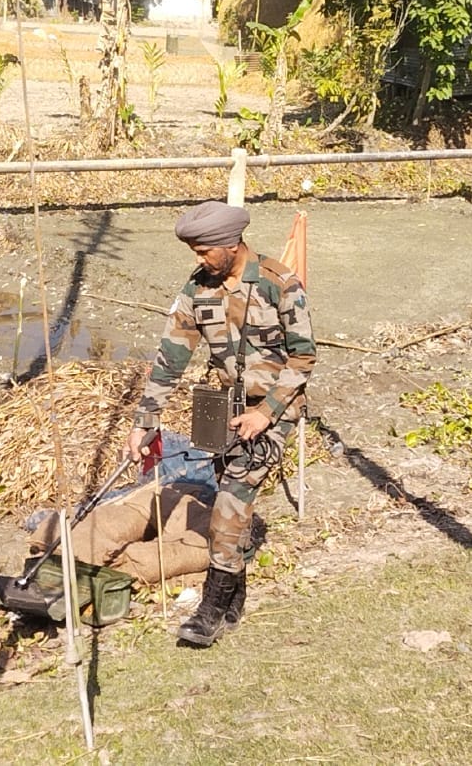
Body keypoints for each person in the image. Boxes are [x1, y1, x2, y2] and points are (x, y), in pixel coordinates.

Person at [124, 201, 315, 648]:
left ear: (232, 245)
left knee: (230, 500)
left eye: (203, 250)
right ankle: (235, 599)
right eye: (193, 251)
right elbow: (169, 359)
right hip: (223, 406)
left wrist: (264, 413)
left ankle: (210, 608)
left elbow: (304, 357)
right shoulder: (197, 289)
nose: (198, 259)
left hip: (274, 408)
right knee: (223, 488)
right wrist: (144, 423)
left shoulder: (278, 284)